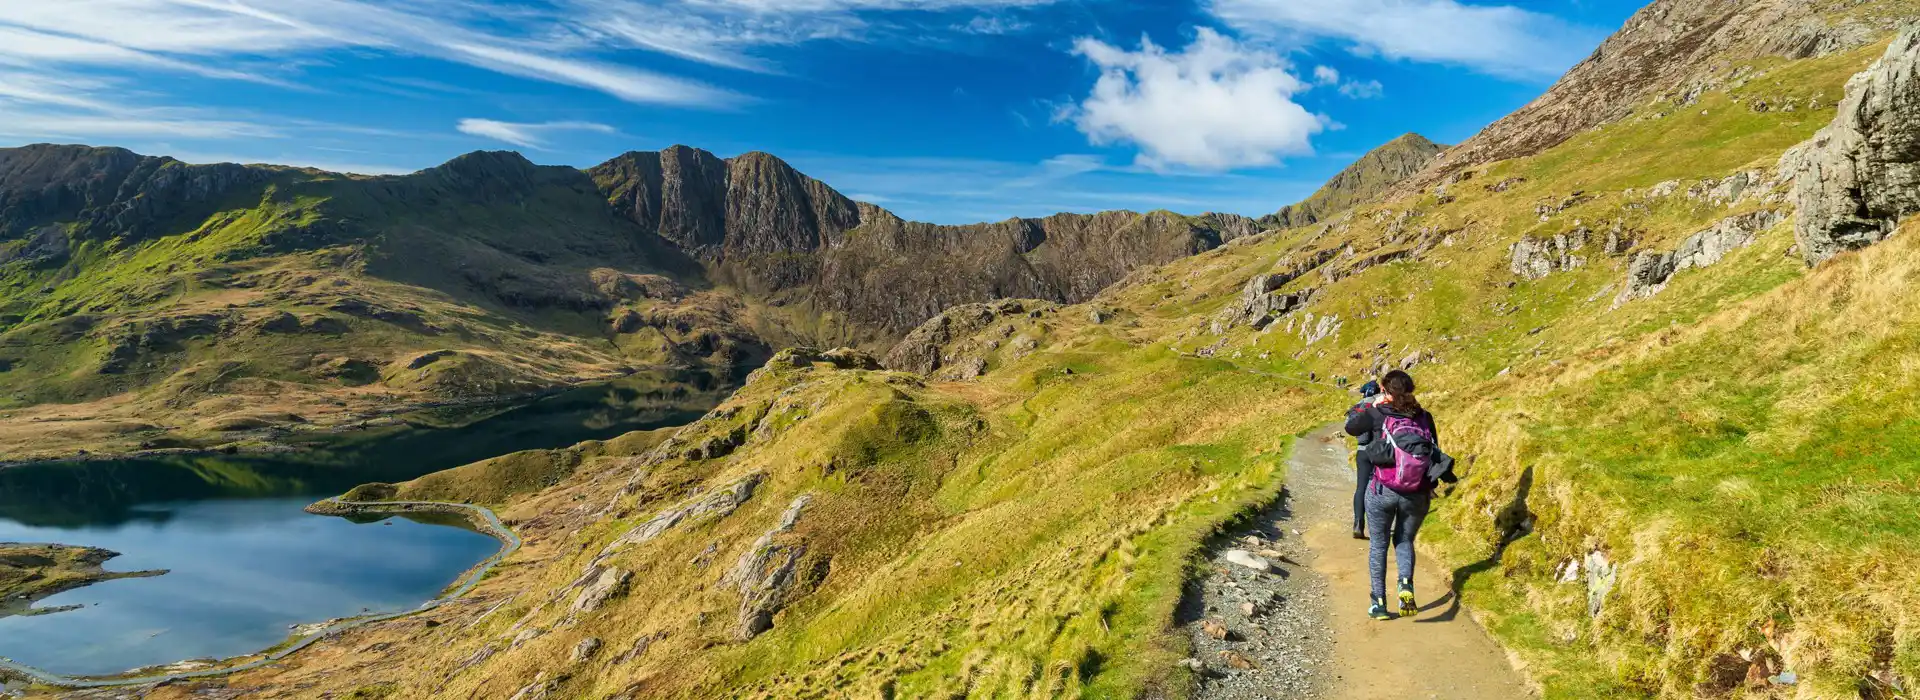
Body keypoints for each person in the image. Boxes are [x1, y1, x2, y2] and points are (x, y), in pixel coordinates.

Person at [1344, 370, 1456, 620]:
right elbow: (1432, 447)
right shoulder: (1424, 416)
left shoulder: (1377, 412)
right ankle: (1406, 584)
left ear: (1384, 388)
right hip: (1417, 492)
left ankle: (1379, 603)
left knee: (1379, 545)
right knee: (1404, 540)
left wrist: (1372, 404)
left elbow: (1351, 427)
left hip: (1382, 489)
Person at [1345, 379, 1384, 539]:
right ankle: (1379, 527)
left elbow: (1348, 426)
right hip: (1381, 452)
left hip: (1362, 451)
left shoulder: (1359, 406)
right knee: (1380, 487)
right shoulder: (1382, 403)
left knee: (1361, 487)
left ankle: (1358, 524)